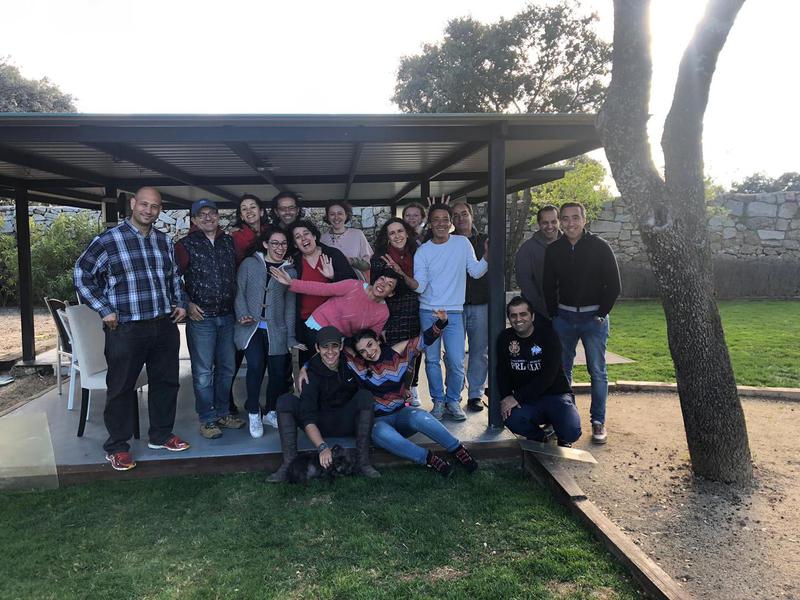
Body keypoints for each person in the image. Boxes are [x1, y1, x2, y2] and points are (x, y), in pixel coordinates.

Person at [74, 186, 190, 471]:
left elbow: (174, 276)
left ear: (160, 209)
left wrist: (181, 302)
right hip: (126, 328)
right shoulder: (108, 240)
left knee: (166, 383)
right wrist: (104, 308)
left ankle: (161, 436)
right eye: (144, 204)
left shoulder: (164, 241)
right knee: (121, 388)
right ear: (133, 203)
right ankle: (117, 447)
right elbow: (81, 274)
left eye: (155, 206)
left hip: (163, 325)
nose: (149, 210)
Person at [347, 313, 479, 477]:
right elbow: (333, 352)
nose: (369, 352)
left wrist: (442, 322)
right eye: (363, 351)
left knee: (419, 416)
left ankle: (457, 449)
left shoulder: (397, 353)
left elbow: (424, 340)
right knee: (378, 432)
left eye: (370, 344)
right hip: (380, 422)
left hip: (403, 415)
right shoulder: (358, 365)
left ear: (378, 340)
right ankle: (430, 459)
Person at [543, 202, 621, 444]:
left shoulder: (600, 247)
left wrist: (602, 313)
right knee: (562, 371)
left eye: (575, 217)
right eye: (565, 218)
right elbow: (548, 285)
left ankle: (598, 421)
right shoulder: (554, 250)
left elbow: (614, 285)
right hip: (564, 319)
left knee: (597, 371)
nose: (570, 223)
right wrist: (554, 314)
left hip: (593, 320)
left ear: (584, 220)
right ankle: (566, 418)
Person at [268, 326, 379, 482]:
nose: (330, 351)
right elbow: (307, 417)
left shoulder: (350, 362)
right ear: (317, 348)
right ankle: (289, 465)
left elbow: (376, 354)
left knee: (365, 396)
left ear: (341, 346)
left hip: (345, 421)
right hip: (319, 423)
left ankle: (363, 463)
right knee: (285, 401)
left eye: (334, 346)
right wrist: (322, 446)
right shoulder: (310, 375)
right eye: (325, 347)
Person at [175, 199, 245, 440]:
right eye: (202, 214)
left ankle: (223, 413)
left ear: (218, 216)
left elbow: (240, 272)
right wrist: (186, 303)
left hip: (228, 316)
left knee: (227, 369)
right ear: (194, 220)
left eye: (212, 213)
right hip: (201, 318)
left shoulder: (229, 242)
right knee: (203, 372)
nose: (208, 218)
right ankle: (207, 419)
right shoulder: (185, 245)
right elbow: (172, 278)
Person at [414, 202, 487, 421]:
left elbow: (475, 272)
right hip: (429, 311)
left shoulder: (462, 243)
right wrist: (404, 278)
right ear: (430, 223)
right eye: (436, 219)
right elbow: (420, 285)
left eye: (445, 219)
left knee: (456, 360)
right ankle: (438, 401)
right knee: (432, 360)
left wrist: (487, 256)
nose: (441, 223)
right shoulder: (423, 250)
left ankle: (453, 400)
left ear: (450, 223)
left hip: (454, 312)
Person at [235, 227, 301, 437]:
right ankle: (254, 411)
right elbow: (239, 291)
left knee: (278, 373)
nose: (280, 247)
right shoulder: (249, 264)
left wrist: (290, 336)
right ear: (265, 244)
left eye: (283, 243)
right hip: (251, 327)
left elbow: (290, 307)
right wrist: (242, 314)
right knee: (255, 366)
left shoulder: (290, 271)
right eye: (275, 243)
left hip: (277, 329)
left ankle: (271, 411)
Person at [497, 296, 581, 446]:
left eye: (523, 314)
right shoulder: (505, 338)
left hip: (555, 395)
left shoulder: (549, 335)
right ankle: (539, 437)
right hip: (528, 401)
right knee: (510, 418)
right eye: (513, 315)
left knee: (571, 432)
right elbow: (502, 372)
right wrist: (506, 397)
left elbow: (548, 376)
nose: (518, 319)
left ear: (532, 316)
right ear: (509, 319)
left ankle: (561, 432)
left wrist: (517, 397)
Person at [369, 217, 422, 406]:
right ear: (387, 237)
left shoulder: (418, 253)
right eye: (392, 233)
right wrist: (380, 323)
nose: (397, 235)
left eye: (400, 231)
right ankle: (391, 392)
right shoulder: (379, 258)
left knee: (413, 351)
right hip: (391, 312)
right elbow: (377, 292)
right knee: (392, 353)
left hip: (414, 309)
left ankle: (411, 388)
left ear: (407, 233)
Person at [288, 219, 356, 364]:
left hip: (333, 321)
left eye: (306, 233)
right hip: (306, 323)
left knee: (336, 363)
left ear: (314, 236)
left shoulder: (333, 255)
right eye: (298, 237)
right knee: (312, 364)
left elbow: (353, 284)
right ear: (295, 244)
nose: (303, 238)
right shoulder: (294, 262)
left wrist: (333, 276)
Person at [269, 265, 399, 339]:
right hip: (318, 325)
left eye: (389, 284)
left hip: (339, 339)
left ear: (391, 293)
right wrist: (291, 283)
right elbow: (323, 289)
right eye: (382, 279)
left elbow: (369, 337)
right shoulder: (354, 285)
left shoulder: (383, 313)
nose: (382, 284)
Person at [452, 200, 488, 413]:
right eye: (455, 215)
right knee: (454, 354)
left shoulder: (485, 240)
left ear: (471, 216)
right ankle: (454, 394)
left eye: (464, 213)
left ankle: (475, 394)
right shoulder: (448, 241)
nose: (460, 218)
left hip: (480, 303)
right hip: (455, 305)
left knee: (479, 352)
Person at [515, 204, 561, 318]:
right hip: (540, 313)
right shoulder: (527, 249)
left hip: (569, 313)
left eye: (553, 222)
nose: (550, 226)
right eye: (545, 222)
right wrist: (544, 309)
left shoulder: (570, 244)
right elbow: (525, 282)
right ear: (539, 224)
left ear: (559, 221)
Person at [320, 200, 373, 275]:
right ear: (328, 217)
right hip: (330, 281)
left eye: (340, 213)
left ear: (346, 215)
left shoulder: (358, 234)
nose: (336, 217)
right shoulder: (322, 239)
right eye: (332, 214)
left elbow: (368, 265)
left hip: (355, 280)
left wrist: (351, 261)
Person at [231, 193, 270, 265]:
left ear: (261, 212)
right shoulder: (235, 236)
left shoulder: (270, 231)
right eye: (244, 209)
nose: (249, 211)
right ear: (241, 216)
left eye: (253, 207)